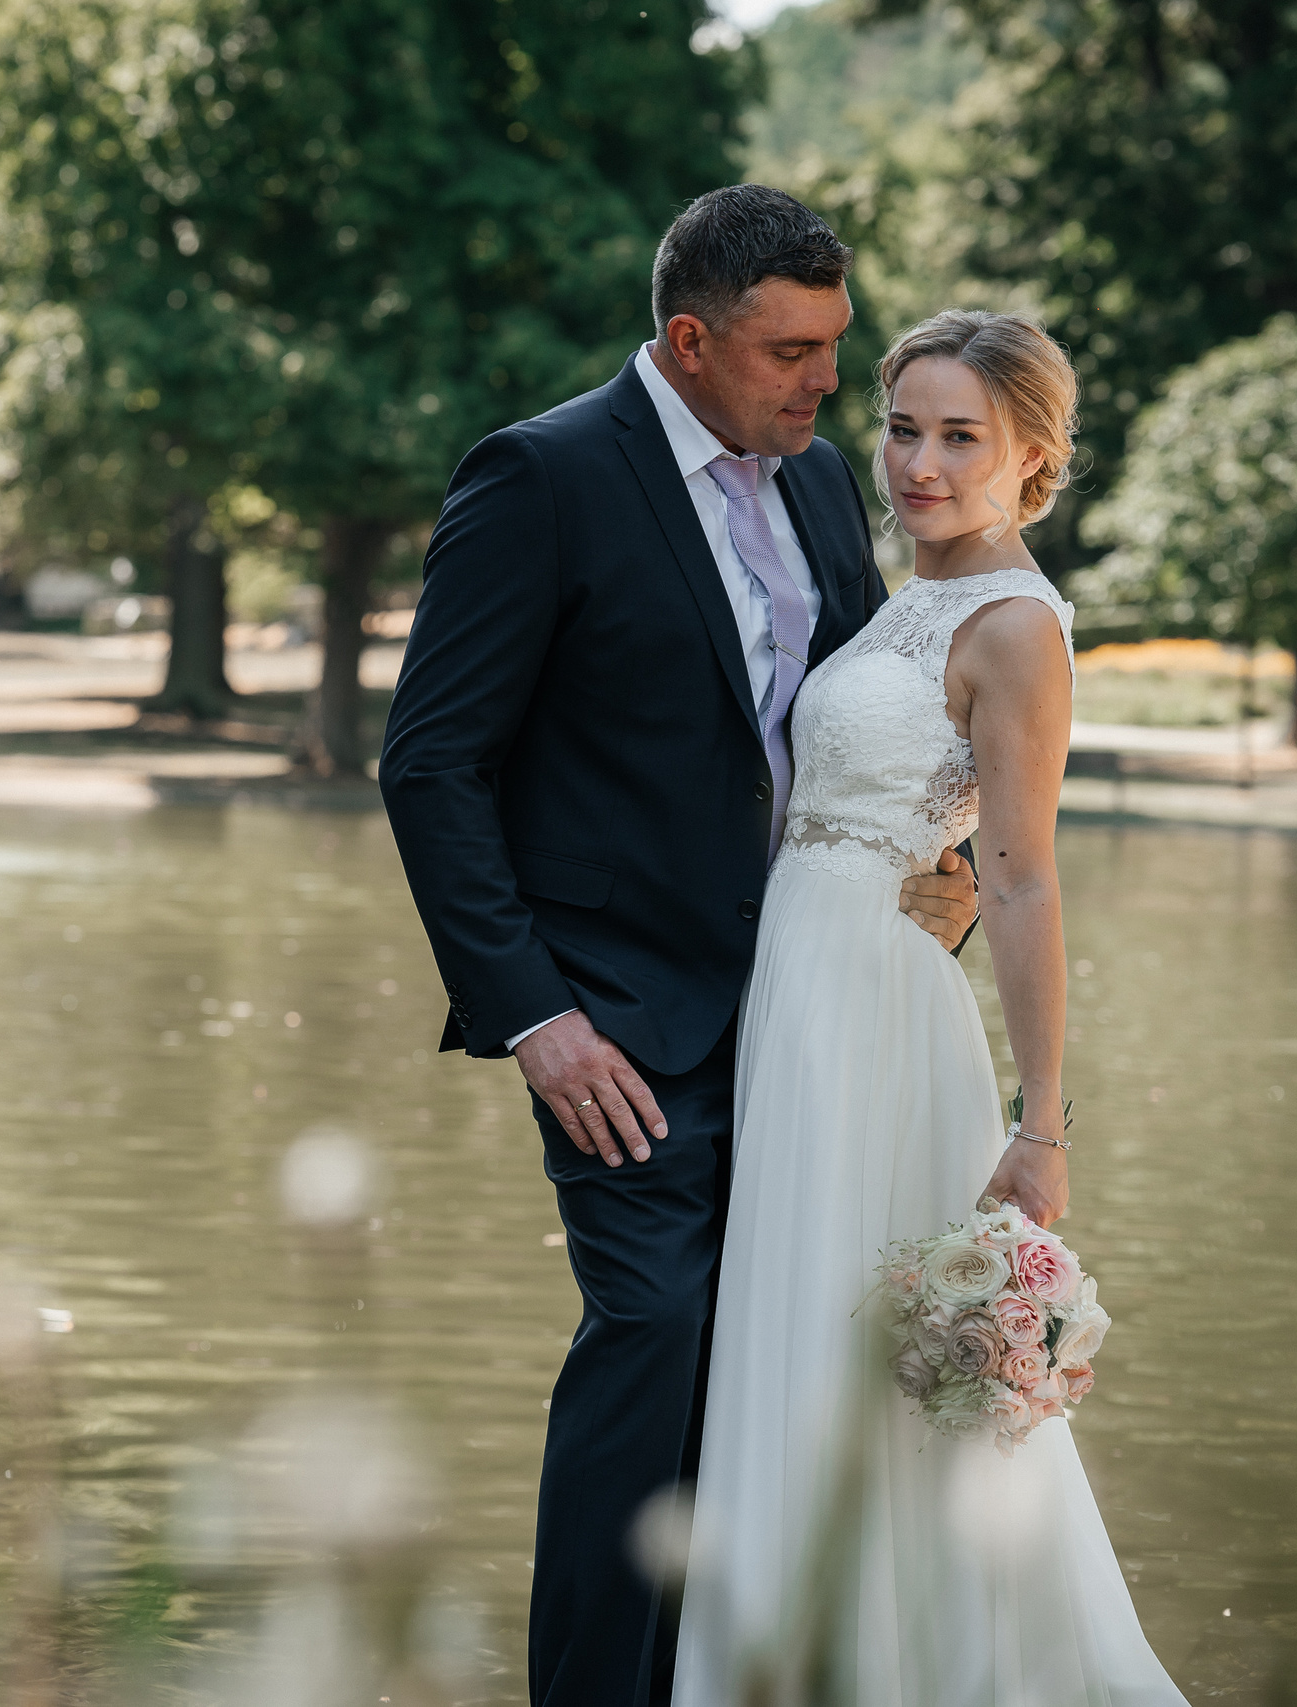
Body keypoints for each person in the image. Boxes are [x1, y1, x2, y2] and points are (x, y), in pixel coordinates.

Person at [379, 185, 981, 1705]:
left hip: (818, 1002)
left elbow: (863, 719)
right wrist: (535, 1018)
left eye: (835, 348)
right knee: (652, 1336)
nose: (825, 383)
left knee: (784, 1358)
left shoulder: (827, 480)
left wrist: (941, 874)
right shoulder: (544, 477)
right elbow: (431, 764)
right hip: (621, 1029)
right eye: (791, 352)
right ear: (689, 339)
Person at [667, 311, 1185, 1704]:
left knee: (879, 1357)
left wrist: (1045, 1122)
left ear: (1032, 460)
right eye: (904, 427)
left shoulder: (1016, 627)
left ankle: (923, 1666)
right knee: (801, 1331)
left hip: (881, 1024)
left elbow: (1022, 886)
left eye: (963, 437)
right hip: (805, 990)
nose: (920, 463)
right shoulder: (911, 593)